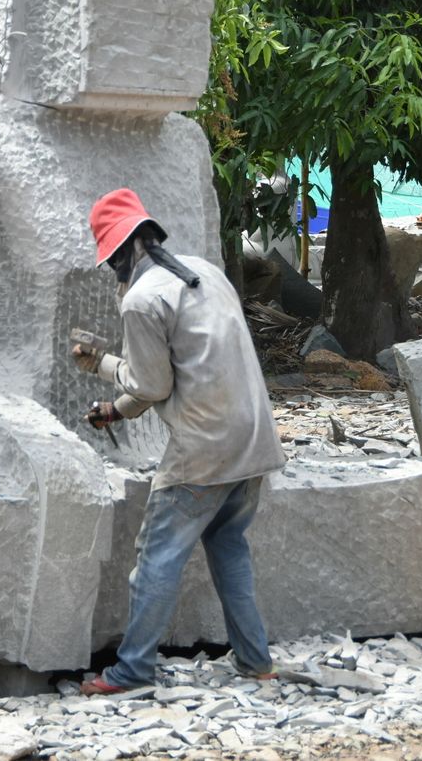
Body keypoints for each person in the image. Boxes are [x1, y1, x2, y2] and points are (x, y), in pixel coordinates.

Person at [72, 188, 286, 695]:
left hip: (205, 448)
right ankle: (257, 661)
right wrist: (114, 411)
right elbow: (185, 370)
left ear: (123, 252)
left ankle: (131, 670)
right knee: (228, 546)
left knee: (156, 558)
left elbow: (152, 385)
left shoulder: (142, 300)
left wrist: (99, 363)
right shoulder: (203, 271)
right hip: (254, 437)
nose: (113, 273)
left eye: (112, 262)